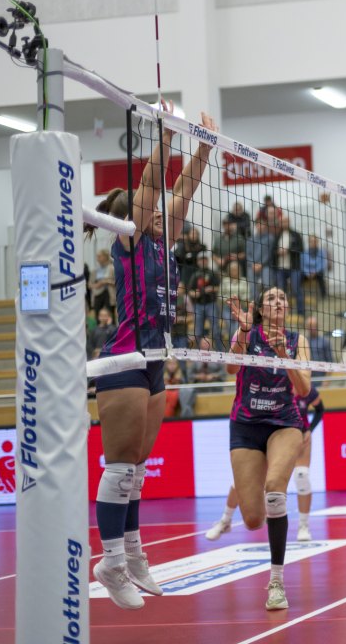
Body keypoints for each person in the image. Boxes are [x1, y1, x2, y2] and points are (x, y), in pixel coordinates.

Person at [85, 106, 215, 610]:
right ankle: (110, 560)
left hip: (155, 360)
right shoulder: (132, 241)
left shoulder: (165, 243)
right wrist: (165, 135)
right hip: (124, 358)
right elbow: (154, 185)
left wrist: (202, 146)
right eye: (149, 208)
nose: (161, 211)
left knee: (138, 468)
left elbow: (183, 192)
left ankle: (135, 553)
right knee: (119, 466)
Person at [222, 289, 311, 610]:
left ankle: (276, 582)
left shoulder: (297, 339)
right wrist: (244, 332)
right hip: (245, 425)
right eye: (270, 298)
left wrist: (283, 354)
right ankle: (238, 502)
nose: (277, 302)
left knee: (275, 489)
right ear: (260, 308)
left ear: (287, 306)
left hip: (284, 422)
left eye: (282, 297)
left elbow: (304, 388)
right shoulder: (247, 330)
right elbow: (231, 369)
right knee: (253, 520)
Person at [205, 384, 325, 543]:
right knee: (244, 482)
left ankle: (304, 526)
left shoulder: (306, 388)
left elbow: (320, 409)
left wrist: (309, 429)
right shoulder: (274, 384)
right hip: (274, 435)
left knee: (302, 476)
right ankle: (225, 521)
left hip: (300, 436)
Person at [187, 252, 221, 347]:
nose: (203, 261)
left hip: (211, 303)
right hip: (198, 305)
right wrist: (195, 294)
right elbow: (190, 291)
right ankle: (200, 353)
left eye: (205, 259)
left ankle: (220, 352)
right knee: (198, 331)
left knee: (215, 330)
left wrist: (210, 289)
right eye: (201, 259)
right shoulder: (195, 275)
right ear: (198, 261)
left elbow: (218, 287)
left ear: (207, 260)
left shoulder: (212, 273)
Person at [246, 218, 275, 301]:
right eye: (258, 224)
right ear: (255, 226)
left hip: (266, 266)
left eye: (262, 224)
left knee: (268, 286)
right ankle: (255, 308)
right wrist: (253, 264)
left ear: (265, 226)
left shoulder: (270, 238)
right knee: (252, 288)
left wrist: (261, 264)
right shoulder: (250, 239)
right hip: (252, 266)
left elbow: (269, 253)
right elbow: (248, 254)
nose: (260, 226)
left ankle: (269, 305)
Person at [300, 234, 329, 307]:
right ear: (309, 242)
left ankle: (323, 296)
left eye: (315, 241)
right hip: (307, 273)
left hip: (317, 272)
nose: (313, 243)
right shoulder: (304, 252)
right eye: (311, 241)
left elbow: (323, 264)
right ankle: (300, 297)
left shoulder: (321, 252)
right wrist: (308, 273)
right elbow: (302, 265)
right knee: (298, 277)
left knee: (321, 276)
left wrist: (315, 272)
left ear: (317, 242)